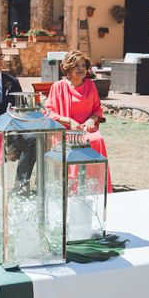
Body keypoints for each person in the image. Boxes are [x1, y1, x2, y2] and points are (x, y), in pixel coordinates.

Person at [45, 50, 113, 192]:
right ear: (68, 68)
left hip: (87, 129)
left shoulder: (90, 85)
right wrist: (69, 121)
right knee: (76, 145)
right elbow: (49, 113)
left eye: (83, 65)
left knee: (97, 139)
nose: (81, 69)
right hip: (65, 131)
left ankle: (96, 187)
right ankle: (74, 188)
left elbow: (97, 110)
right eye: (77, 65)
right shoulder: (58, 87)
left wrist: (91, 120)